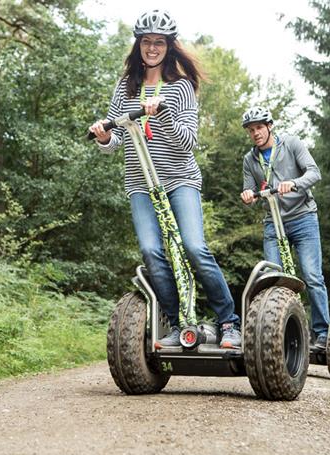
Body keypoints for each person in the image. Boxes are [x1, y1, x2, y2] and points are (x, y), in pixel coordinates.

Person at [89, 10, 240, 349]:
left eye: (159, 42)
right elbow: (115, 139)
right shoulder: (125, 87)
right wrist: (103, 136)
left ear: (169, 46)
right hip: (140, 183)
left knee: (194, 247)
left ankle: (229, 322)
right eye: (147, 42)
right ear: (138, 45)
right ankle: (177, 323)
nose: (152, 48)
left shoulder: (181, 87)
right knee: (151, 251)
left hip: (179, 179)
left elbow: (188, 142)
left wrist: (164, 114)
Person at [239, 106, 330, 350]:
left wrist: (294, 183)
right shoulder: (250, 159)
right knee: (272, 279)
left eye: (259, 127)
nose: (256, 133)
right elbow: (249, 190)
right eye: (251, 130)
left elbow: (314, 173)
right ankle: (281, 334)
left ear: (269, 126)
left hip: (303, 217)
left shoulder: (291, 144)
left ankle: (322, 333)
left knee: (312, 276)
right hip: (273, 221)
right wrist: (247, 195)